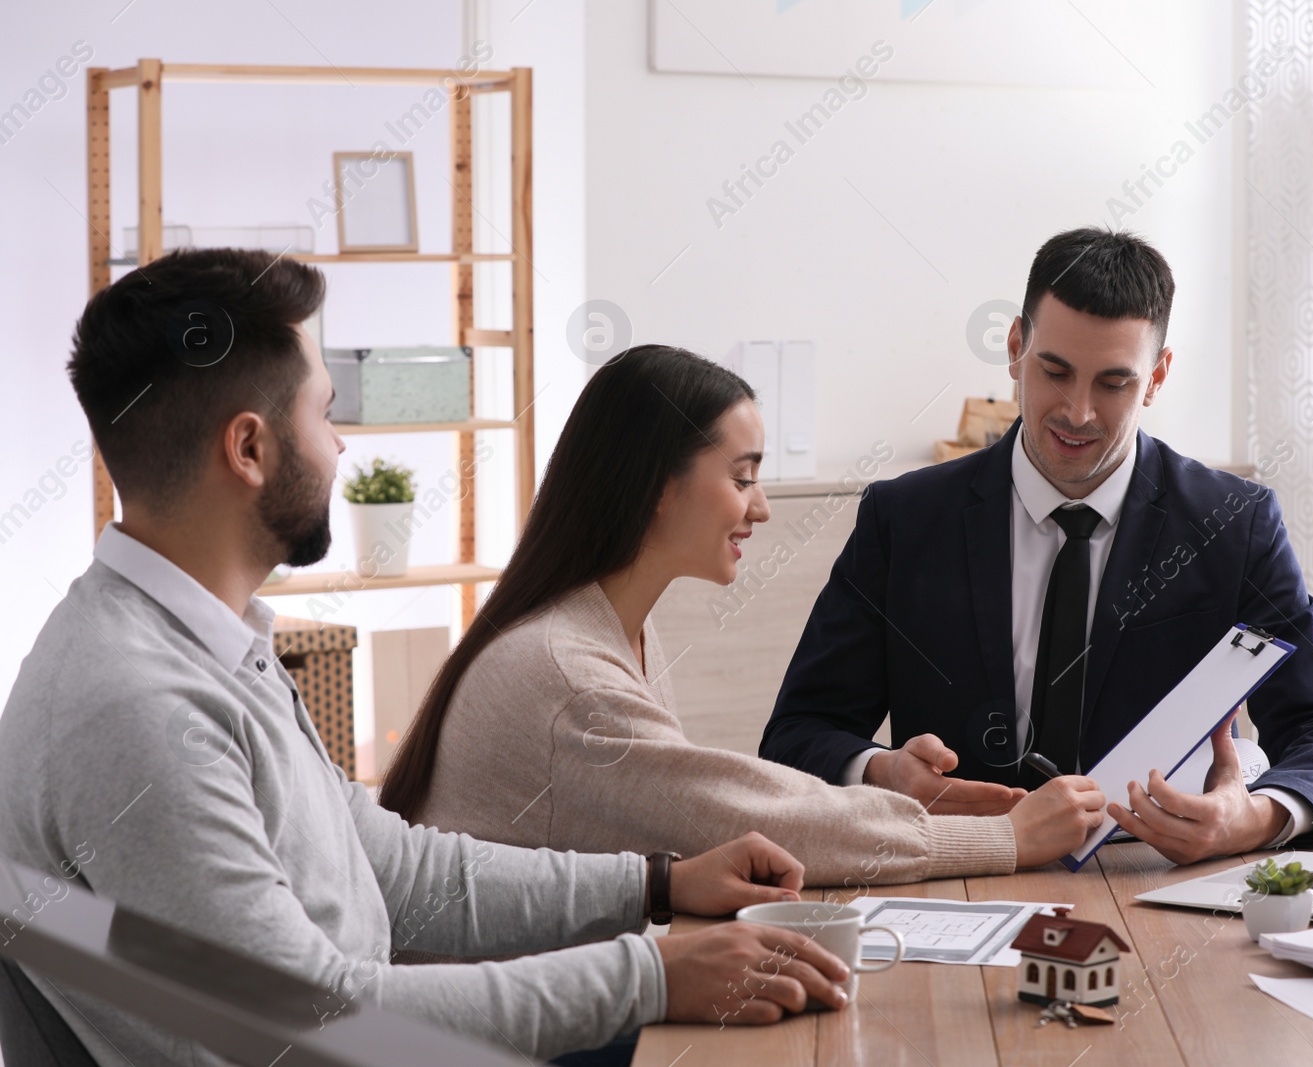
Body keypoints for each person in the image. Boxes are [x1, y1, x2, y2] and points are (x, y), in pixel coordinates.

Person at [0, 249, 857, 1067]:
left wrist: (657, 884)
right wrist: (654, 975)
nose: (342, 449)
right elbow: (303, 1025)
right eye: (326, 413)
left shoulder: (211, 647)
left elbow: (399, 867)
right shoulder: (139, 707)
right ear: (250, 448)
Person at [760, 227, 1313, 865]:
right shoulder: (904, 520)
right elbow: (794, 737)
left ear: (1157, 377)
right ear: (1014, 348)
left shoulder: (1234, 523)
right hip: (961, 875)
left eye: (1113, 383)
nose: (1077, 412)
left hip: (1157, 882)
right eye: (1054, 372)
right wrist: (880, 772)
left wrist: (1253, 818)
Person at [379, 345, 1106, 884]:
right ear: (655, 486)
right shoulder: (569, 675)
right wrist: (1006, 838)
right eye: (741, 477)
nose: (759, 506)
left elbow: (720, 806)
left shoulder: (611, 628)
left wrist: (886, 777)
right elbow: (749, 816)